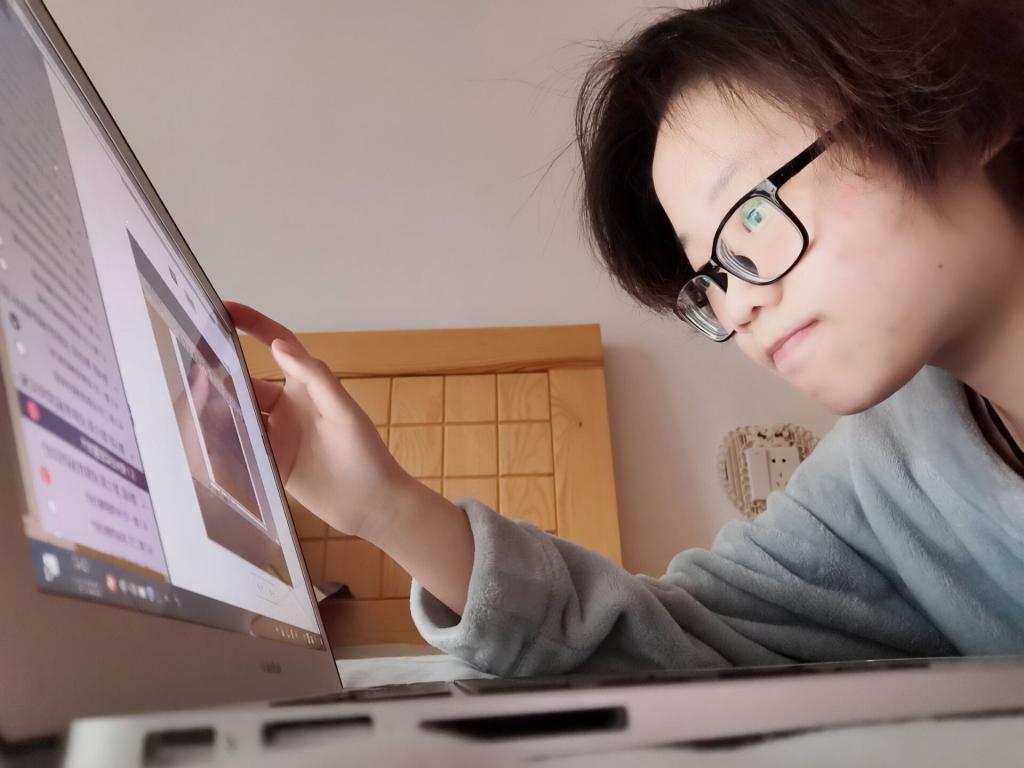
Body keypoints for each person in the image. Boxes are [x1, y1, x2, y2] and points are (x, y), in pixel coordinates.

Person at [228, 0, 1024, 676]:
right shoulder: (888, 473)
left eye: (751, 213)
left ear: (965, 113)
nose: (737, 306)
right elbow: (679, 643)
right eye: (711, 273)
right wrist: (385, 508)